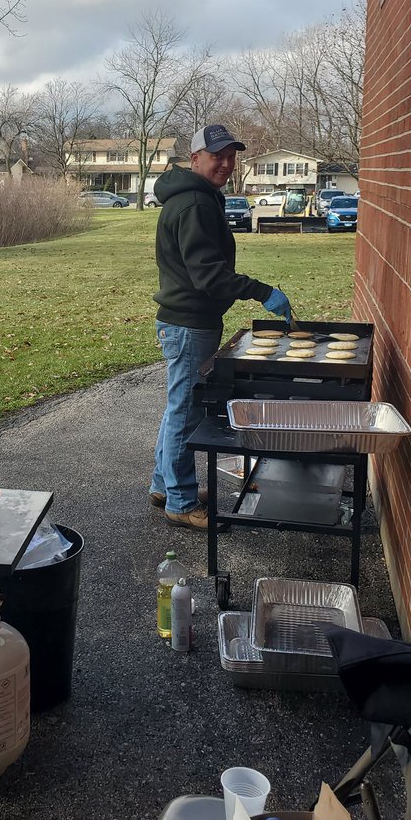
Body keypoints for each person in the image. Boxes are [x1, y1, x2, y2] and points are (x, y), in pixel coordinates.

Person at [149, 123, 292, 529]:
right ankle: (180, 502)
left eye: (231, 156)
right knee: (185, 412)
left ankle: (164, 486)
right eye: (217, 156)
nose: (226, 163)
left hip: (187, 322)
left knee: (179, 408)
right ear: (196, 159)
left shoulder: (198, 197)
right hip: (189, 324)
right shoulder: (194, 203)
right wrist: (262, 291)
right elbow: (208, 275)